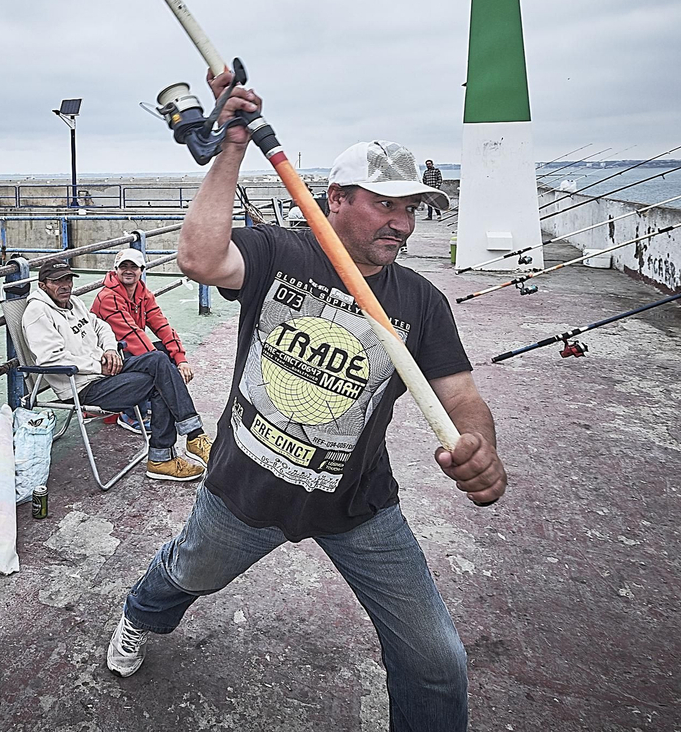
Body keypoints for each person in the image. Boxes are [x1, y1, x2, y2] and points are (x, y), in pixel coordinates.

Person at [104, 72, 505, 732]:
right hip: (244, 491)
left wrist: (480, 444)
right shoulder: (278, 253)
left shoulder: (420, 301)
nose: (402, 223)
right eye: (386, 204)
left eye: (411, 209)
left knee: (437, 661)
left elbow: (460, 394)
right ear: (336, 199)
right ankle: (137, 617)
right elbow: (199, 259)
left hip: (358, 506)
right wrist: (232, 146)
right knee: (185, 574)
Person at [21, 256, 211, 482]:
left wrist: (110, 350)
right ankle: (167, 455)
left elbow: (102, 327)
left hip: (103, 370)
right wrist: (99, 365)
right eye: (56, 281)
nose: (65, 286)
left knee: (159, 360)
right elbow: (50, 359)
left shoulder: (74, 303)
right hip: (82, 385)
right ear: (42, 285)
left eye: (68, 280)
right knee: (162, 380)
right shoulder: (37, 312)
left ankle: (191, 437)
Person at [91, 248, 194, 435]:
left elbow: (162, 326)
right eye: (123, 266)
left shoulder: (143, 293)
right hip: (105, 359)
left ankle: (158, 403)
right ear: (115, 270)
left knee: (165, 352)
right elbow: (132, 336)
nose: (128, 271)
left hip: (125, 352)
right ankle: (130, 415)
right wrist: (161, 365)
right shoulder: (108, 298)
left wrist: (181, 360)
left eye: (133, 267)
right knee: (152, 359)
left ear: (142, 270)